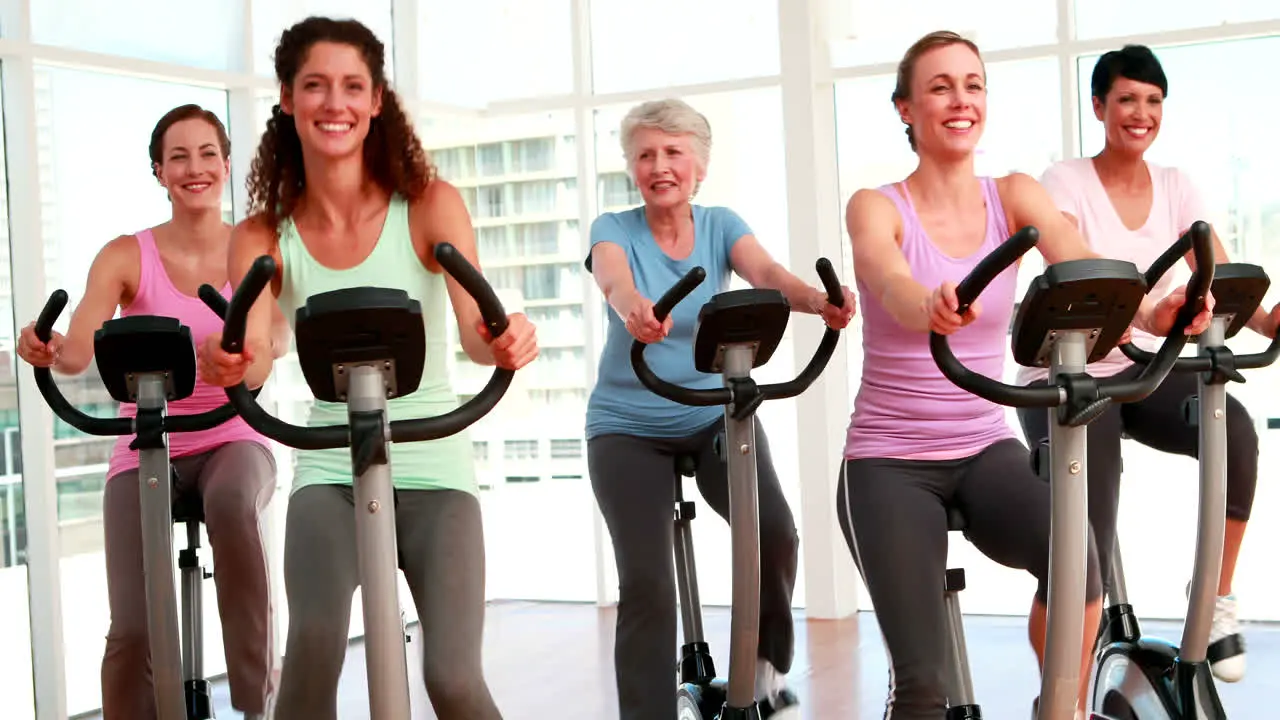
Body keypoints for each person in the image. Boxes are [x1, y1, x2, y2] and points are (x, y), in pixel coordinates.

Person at [836, 31, 1212, 719]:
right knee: (923, 688)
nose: (961, 100)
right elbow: (887, 279)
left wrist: (1156, 314)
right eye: (941, 86)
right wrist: (926, 303)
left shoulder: (1014, 196)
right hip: (889, 459)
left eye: (973, 85)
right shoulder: (877, 205)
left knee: (1081, 566)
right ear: (905, 108)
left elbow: (1085, 266)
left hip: (983, 444)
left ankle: (1058, 708)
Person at [195, 16, 537, 720]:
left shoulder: (429, 206)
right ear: (288, 100)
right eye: (315, 86)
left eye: (353, 86)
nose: (335, 103)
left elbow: (478, 334)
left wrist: (505, 342)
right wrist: (230, 361)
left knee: (451, 677)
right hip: (330, 469)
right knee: (314, 650)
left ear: (377, 100)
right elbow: (255, 353)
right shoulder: (262, 234)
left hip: (435, 465)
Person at [585, 97, 856, 720]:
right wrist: (634, 308)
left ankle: (762, 670)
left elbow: (767, 273)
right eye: (646, 154)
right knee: (648, 584)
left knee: (776, 536)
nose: (660, 165)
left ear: (699, 166)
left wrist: (818, 301)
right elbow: (614, 279)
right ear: (631, 166)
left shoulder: (719, 224)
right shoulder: (613, 228)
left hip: (713, 413)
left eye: (674, 153)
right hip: (627, 426)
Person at [1016, 43, 1278, 684]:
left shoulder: (1178, 186)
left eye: (1154, 101)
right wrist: (1147, 314)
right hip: (1073, 378)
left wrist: (1271, 319)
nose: (1141, 112)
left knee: (1235, 432)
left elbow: (1223, 274)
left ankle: (1212, 599)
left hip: (1146, 369)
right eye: (1127, 99)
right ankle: (1064, 695)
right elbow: (1074, 274)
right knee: (1084, 549)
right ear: (1099, 106)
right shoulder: (1065, 182)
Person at [16, 104, 281, 720]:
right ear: (159, 171)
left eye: (207, 153)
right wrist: (48, 347)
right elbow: (79, 348)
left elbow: (262, 357)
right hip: (146, 442)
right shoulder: (124, 255)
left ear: (225, 163)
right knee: (131, 627)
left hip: (231, 436)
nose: (195, 168)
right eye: (179, 157)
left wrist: (239, 366)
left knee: (232, 503)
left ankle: (255, 703)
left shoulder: (252, 251)